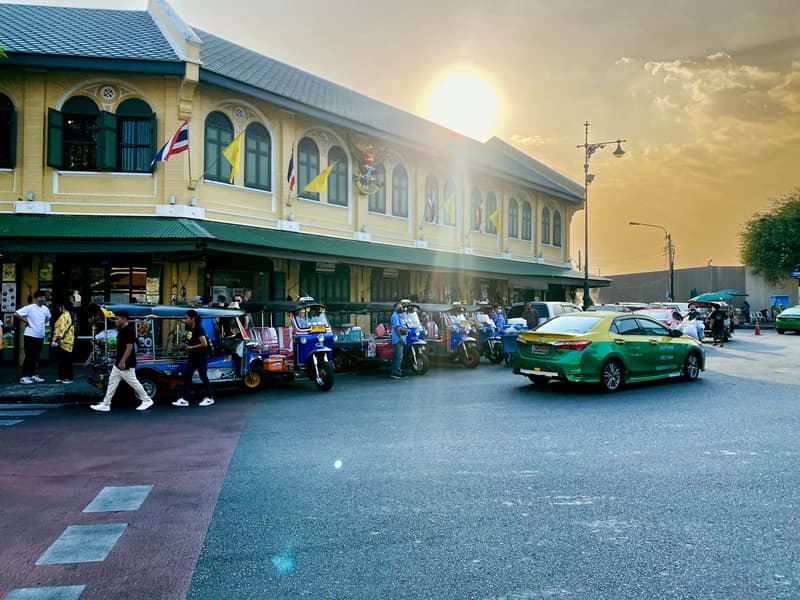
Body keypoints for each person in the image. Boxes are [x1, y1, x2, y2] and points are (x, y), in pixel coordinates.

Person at [90, 310, 153, 412]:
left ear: (123, 319)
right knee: (112, 382)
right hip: (119, 362)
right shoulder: (122, 330)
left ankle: (147, 399)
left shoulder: (128, 331)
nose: (115, 320)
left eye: (117, 318)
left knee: (134, 382)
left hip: (125, 363)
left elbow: (129, 348)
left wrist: (123, 361)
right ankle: (106, 404)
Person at [172, 309, 215, 407]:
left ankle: (210, 397)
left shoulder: (199, 329)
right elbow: (190, 340)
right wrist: (186, 346)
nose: (185, 319)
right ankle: (185, 399)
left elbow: (204, 343)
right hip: (193, 356)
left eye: (186, 318)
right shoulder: (191, 328)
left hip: (200, 357)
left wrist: (191, 347)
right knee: (188, 376)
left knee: (203, 377)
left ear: (193, 319)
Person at [14, 290, 51, 384]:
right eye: (42, 297)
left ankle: (33, 375)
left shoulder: (45, 309)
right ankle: (24, 377)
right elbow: (16, 313)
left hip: (40, 335)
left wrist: (43, 323)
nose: (43, 299)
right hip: (30, 335)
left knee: (36, 356)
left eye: (44, 297)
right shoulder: (30, 307)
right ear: (37, 298)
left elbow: (48, 317)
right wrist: (26, 320)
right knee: (29, 356)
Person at [51, 299, 75, 383]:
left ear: (63, 307)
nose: (59, 308)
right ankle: (63, 377)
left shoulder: (64, 316)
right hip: (67, 341)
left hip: (63, 341)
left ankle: (68, 377)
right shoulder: (68, 315)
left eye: (60, 307)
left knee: (65, 361)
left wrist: (56, 339)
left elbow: (61, 329)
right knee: (64, 360)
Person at [390, 302, 406, 379]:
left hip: (400, 338)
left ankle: (396, 371)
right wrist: (401, 338)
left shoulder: (399, 316)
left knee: (398, 356)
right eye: (400, 306)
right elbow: (396, 328)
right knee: (398, 357)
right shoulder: (395, 316)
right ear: (396, 307)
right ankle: (396, 373)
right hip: (398, 339)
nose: (401, 308)